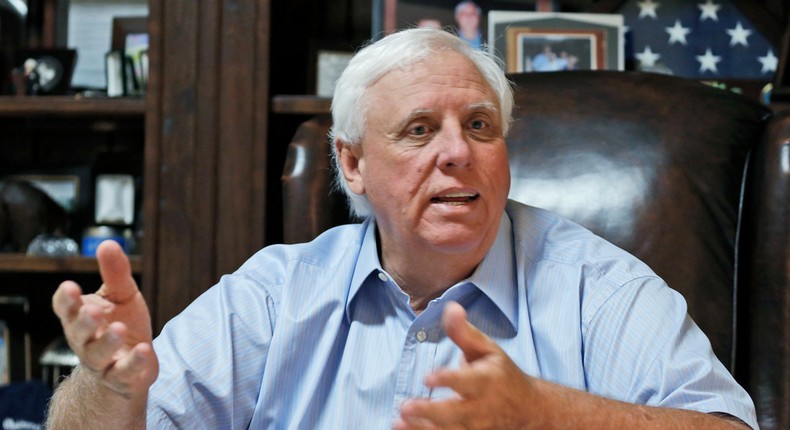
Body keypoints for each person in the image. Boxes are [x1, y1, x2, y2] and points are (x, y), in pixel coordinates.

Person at [46, 27, 757, 429]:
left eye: (480, 125)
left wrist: (546, 412)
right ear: (353, 165)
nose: (459, 151)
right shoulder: (273, 294)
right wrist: (109, 389)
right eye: (420, 130)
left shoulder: (597, 288)